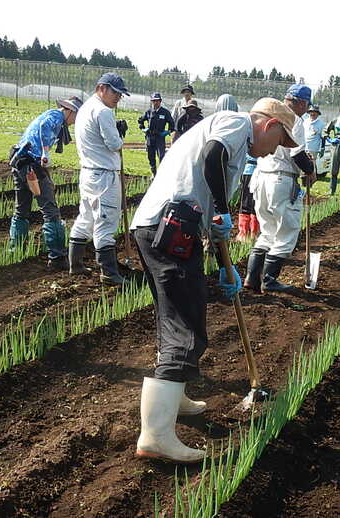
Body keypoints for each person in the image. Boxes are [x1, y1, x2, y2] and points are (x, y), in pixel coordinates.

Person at [130, 97, 298, 463]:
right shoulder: (236, 124)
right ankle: (155, 435)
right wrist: (224, 212)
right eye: (279, 142)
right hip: (170, 228)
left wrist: (225, 264)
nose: (274, 153)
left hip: (167, 228)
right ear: (268, 125)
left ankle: (175, 397)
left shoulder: (235, 141)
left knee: (175, 319)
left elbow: (210, 196)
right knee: (185, 330)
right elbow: (211, 157)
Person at [244, 84, 316, 292]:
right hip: (281, 179)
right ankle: (269, 279)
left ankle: (251, 278)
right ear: (301, 103)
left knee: (267, 230)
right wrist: (310, 170)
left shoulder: (269, 115)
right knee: (286, 231)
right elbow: (297, 153)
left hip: (260, 178)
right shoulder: (294, 120)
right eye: (306, 105)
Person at [69, 73, 130, 285]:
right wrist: (120, 134)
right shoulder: (103, 111)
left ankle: (75, 264)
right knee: (106, 222)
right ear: (102, 88)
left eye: (120, 94)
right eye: (115, 92)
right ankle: (109, 273)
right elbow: (114, 144)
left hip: (87, 172)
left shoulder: (85, 108)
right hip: (104, 175)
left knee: (86, 217)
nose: (118, 98)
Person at [8, 96, 83, 269]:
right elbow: (43, 128)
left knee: (22, 207)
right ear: (70, 111)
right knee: (50, 210)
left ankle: (15, 249)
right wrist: (45, 152)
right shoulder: (56, 117)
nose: (75, 121)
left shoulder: (53, 116)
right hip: (31, 164)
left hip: (19, 162)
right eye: (76, 116)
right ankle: (57, 257)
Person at [138, 93, 174, 176]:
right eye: (154, 101)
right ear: (151, 102)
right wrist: (143, 128)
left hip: (160, 138)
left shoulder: (165, 112)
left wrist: (167, 131)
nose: (155, 103)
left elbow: (172, 123)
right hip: (150, 138)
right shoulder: (149, 112)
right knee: (151, 156)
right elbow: (141, 120)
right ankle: (153, 173)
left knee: (161, 156)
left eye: (157, 101)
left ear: (160, 101)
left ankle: (161, 174)